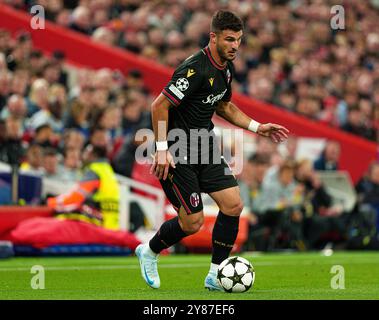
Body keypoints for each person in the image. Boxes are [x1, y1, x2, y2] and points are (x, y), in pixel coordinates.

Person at [135, 10, 289, 291]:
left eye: (239, 40)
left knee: (233, 204)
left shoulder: (226, 70)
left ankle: (216, 273)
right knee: (192, 222)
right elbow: (159, 105)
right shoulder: (194, 68)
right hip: (177, 149)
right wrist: (160, 149)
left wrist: (257, 127)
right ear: (213, 37)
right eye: (229, 39)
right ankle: (149, 250)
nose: (235, 46)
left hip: (204, 146)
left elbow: (223, 106)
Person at [47, 144, 120, 230]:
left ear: (92, 155)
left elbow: (77, 196)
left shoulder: (94, 171)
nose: (83, 155)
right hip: (112, 226)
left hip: (98, 227)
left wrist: (51, 202)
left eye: (86, 152)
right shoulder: (108, 171)